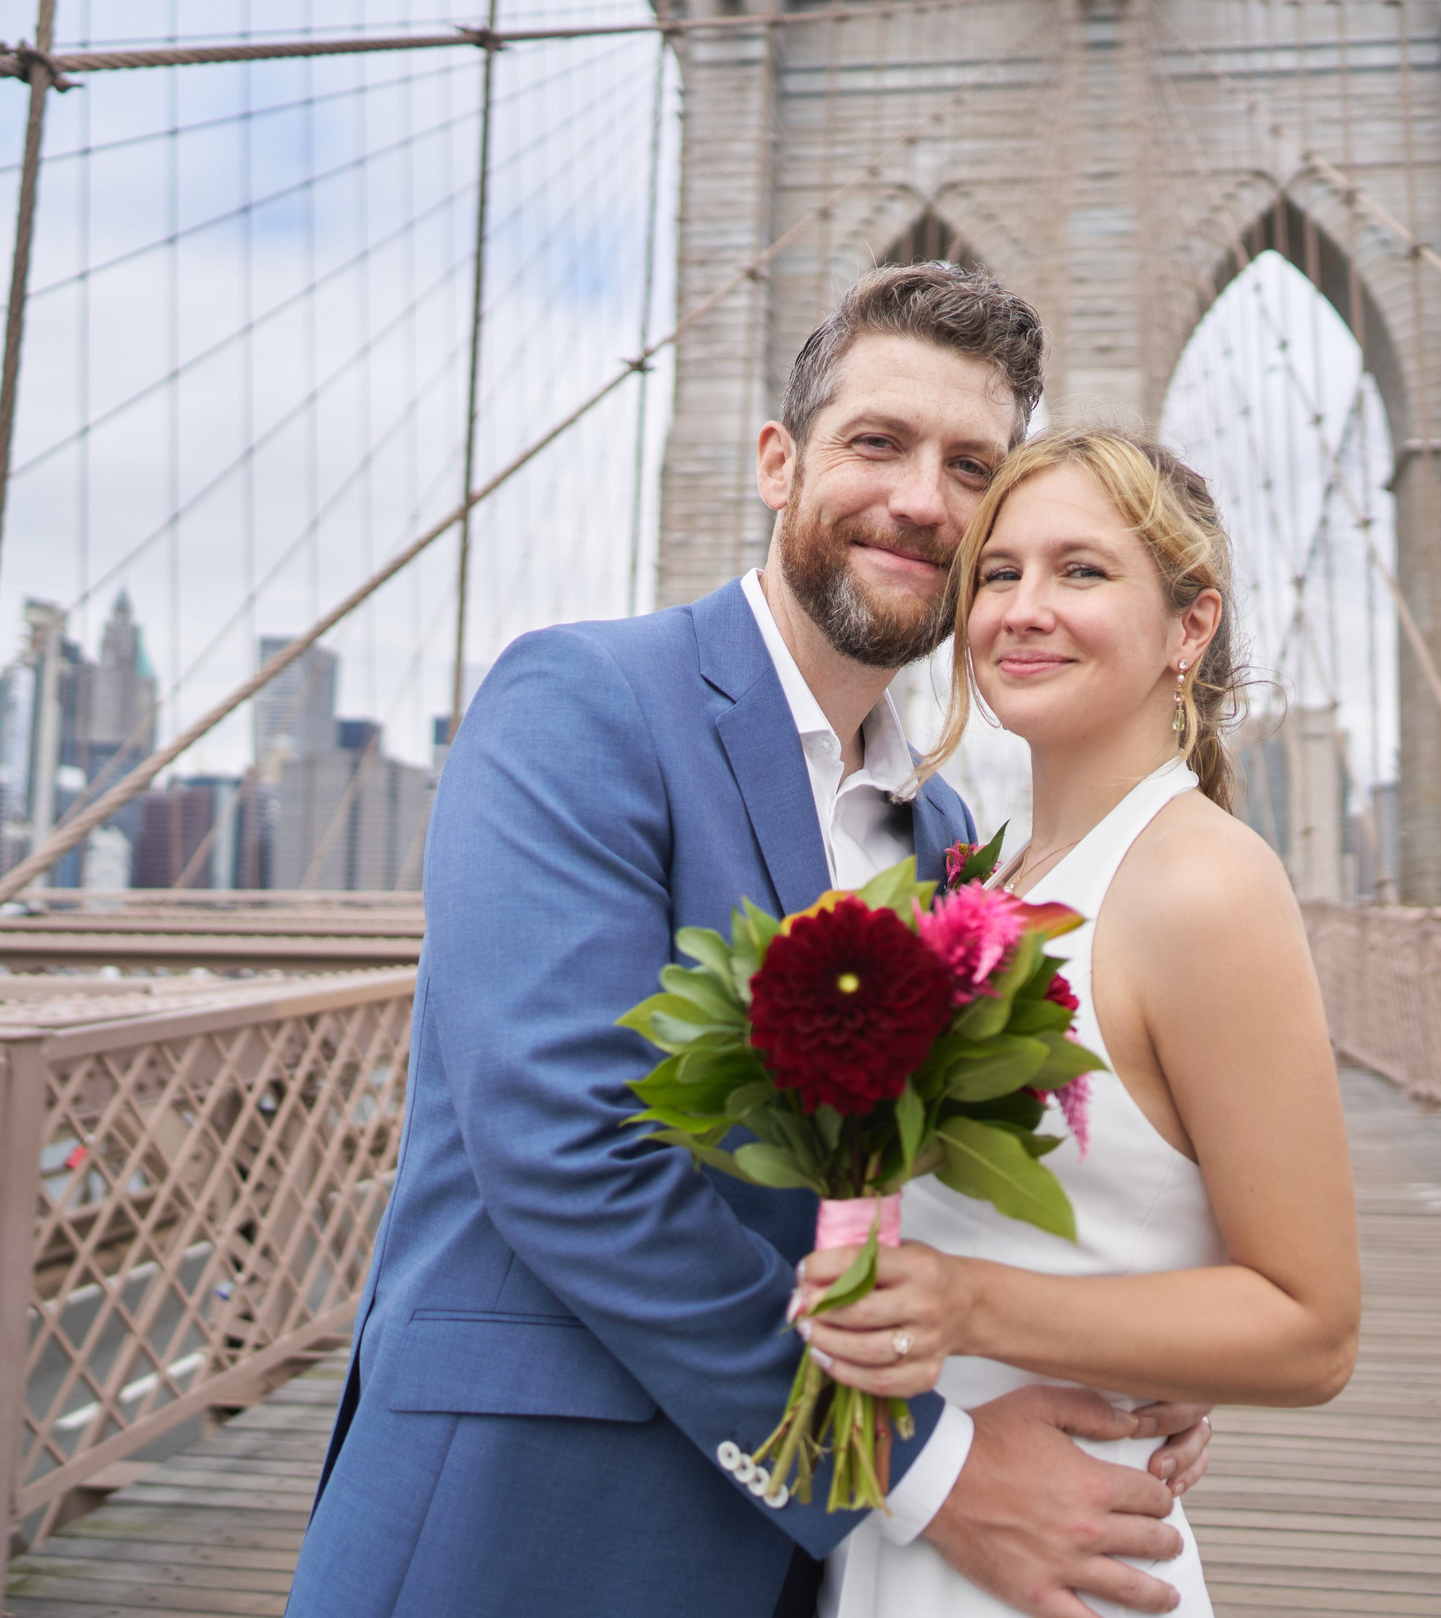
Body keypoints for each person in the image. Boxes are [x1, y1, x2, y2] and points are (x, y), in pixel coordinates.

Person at [285, 266, 1214, 1618]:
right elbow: (566, 1143)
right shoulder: (584, 701)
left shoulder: (944, 829)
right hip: (526, 1526)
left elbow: (933, 1183)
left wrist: (1130, 1345)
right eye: (877, 442)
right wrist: (925, 1467)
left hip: (810, 1569)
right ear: (779, 462)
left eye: (971, 467)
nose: (922, 500)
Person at [794, 429, 1363, 1618]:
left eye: (1082, 572)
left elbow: (1310, 1331)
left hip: (1065, 1556)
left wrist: (966, 1303)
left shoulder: (1202, 885)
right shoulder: (983, 873)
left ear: (1189, 628)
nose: (1022, 610)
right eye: (998, 574)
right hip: (928, 1527)